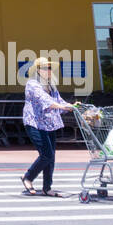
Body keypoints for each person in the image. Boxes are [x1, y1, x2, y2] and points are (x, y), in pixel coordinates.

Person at [20, 56, 75, 196]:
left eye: (49, 68)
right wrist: (63, 106)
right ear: (38, 70)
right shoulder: (32, 84)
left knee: (51, 156)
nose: (48, 70)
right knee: (46, 154)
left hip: (49, 123)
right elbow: (45, 100)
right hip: (35, 123)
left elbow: (58, 100)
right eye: (45, 68)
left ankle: (47, 187)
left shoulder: (51, 85)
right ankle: (28, 177)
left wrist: (72, 106)